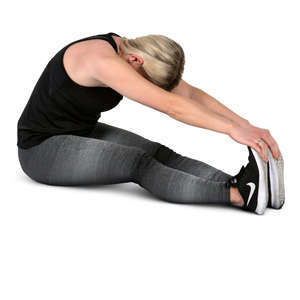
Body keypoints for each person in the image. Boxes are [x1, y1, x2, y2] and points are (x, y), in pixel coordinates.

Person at [17, 32, 285, 215]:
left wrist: (244, 125)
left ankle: (247, 185)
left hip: (80, 131)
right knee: (138, 163)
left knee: (159, 153)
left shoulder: (137, 51)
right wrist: (230, 130)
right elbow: (172, 106)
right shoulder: (101, 61)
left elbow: (188, 94)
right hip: (41, 150)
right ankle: (237, 196)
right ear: (135, 61)